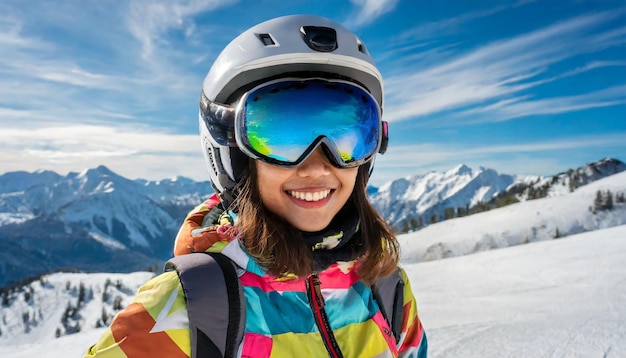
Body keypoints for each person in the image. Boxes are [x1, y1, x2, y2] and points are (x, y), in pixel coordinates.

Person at [85, 14, 427, 358]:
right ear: (232, 152)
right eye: (280, 137)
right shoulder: (186, 311)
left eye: (347, 137)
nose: (317, 165)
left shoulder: (386, 287)